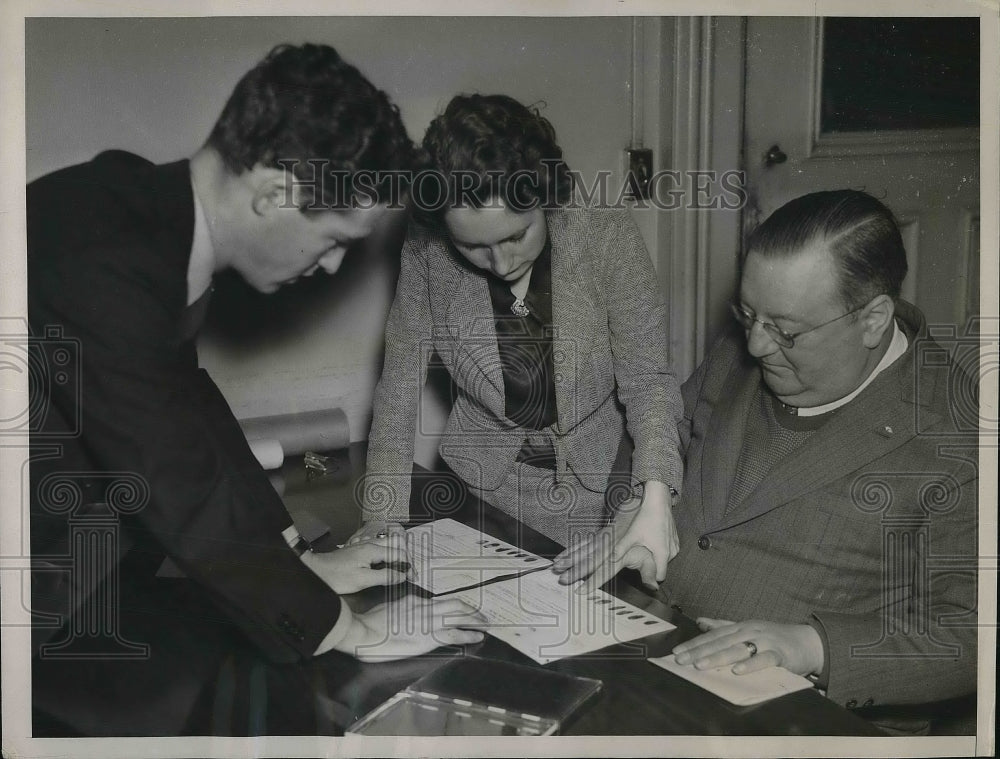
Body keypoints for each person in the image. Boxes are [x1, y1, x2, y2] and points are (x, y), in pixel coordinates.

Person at [28, 44, 484, 735]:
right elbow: (176, 478)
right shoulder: (106, 261)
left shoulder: (144, 211)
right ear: (274, 195)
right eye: (334, 239)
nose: (332, 266)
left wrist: (300, 561)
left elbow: (189, 407)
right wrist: (350, 629)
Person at [660, 191, 977, 732]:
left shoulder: (956, 432)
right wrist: (641, 500)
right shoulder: (752, 344)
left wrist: (813, 647)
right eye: (747, 314)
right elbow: (662, 438)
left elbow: (974, 632)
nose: (755, 345)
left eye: (785, 330)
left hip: (803, 721)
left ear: (873, 319)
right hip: (660, 653)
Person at [357, 94, 685, 583]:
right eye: (473, 246)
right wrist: (381, 517)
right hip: (479, 491)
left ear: (545, 199)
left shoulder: (604, 235)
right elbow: (399, 385)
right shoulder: (427, 253)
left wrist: (655, 496)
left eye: (516, 236)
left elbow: (648, 381)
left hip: (600, 492)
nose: (502, 263)